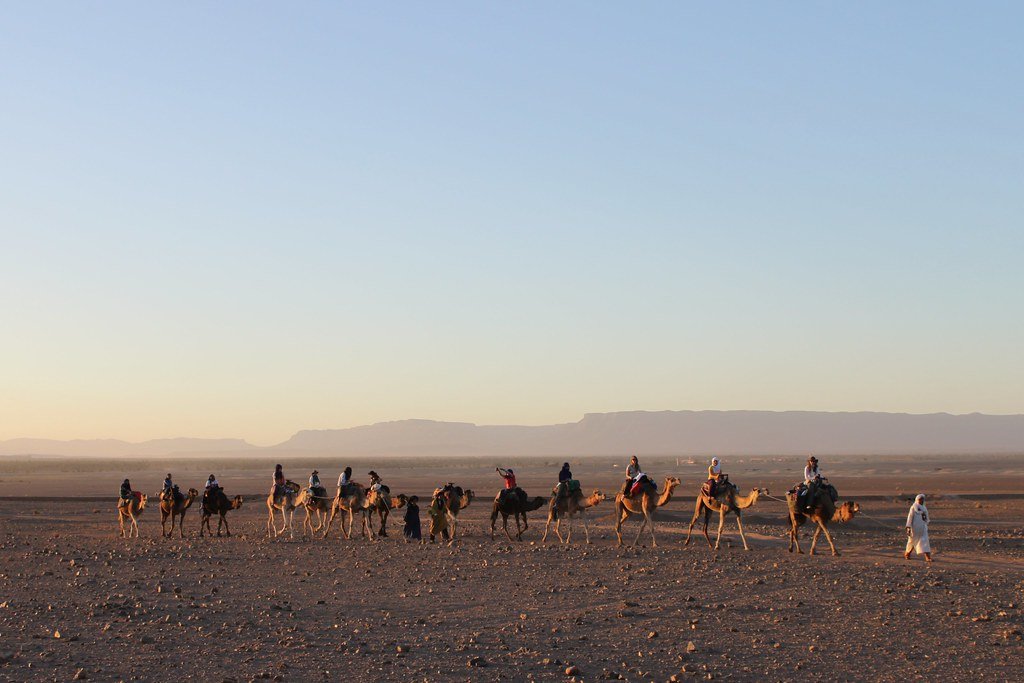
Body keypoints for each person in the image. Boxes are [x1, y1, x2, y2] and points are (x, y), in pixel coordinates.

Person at [905, 494, 932, 562]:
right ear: (917, 500)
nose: (922, 501)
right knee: (912, 541)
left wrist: (925, 520)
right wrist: (908, 527)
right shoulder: (913, 507)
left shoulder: (924, 507)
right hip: (914, 528)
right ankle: (907, 554)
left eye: (923, 499)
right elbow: (910, 517)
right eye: (920, 499)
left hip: (922, 528)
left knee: (925, 541)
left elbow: (927, 517)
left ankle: (928, 557)